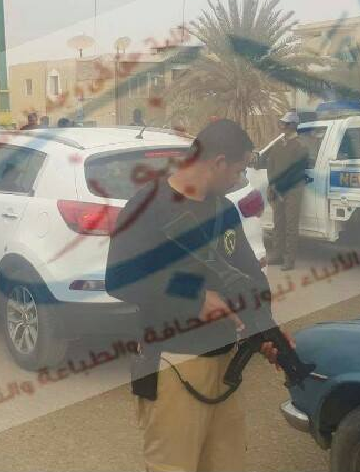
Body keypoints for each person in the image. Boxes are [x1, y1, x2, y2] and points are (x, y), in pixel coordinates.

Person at [106, 119, 290, 472]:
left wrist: (267, 330)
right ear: (218, 162)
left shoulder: (223, 210)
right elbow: (120, 278)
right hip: (174, 363)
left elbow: (250, 279)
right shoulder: (148, 206)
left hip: (226, 364)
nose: (239, 179)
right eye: (237, 170)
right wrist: (195, 297)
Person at [265, 112, 309, 271]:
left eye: (285, 123)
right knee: (278, 223)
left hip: (293, 189)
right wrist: (272, 185)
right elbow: (271, 165)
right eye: (282, 123)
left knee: (291, 225)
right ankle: (277, 254)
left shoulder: (300, 146)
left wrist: (282, 187)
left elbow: (297, 171)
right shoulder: (278, 144)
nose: (282, 126)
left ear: (293, 126)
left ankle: (289, 259)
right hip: (278, 189)